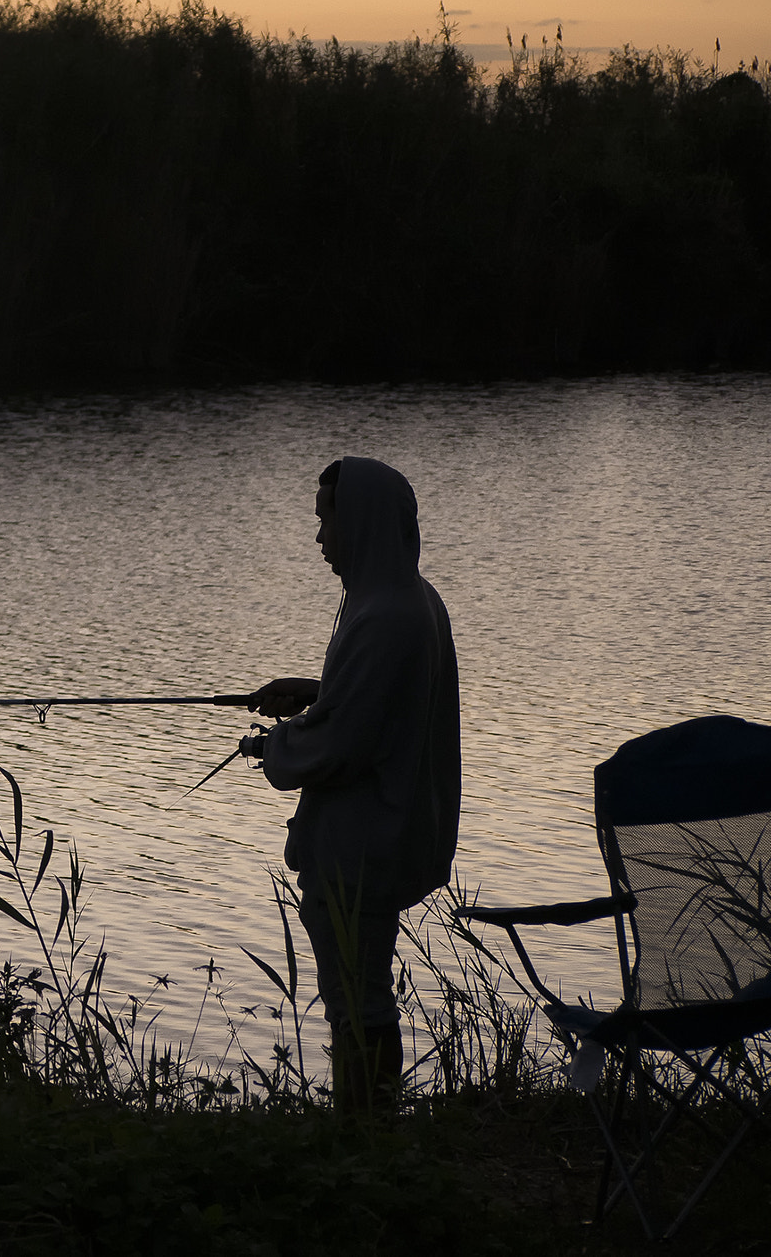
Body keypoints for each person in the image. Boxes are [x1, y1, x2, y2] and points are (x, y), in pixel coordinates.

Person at [234, 457, 461, 1112]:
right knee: (362, 992)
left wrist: (277, 744)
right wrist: (319, 693)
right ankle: (369, 1130)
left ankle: (364, 1131)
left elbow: (342, 745)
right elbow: (379, 706)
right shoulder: (413, 599)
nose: (320, 539)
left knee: (356, 1000)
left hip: (360, 846)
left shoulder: (384, 618)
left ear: (358, 522)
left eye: (326, 521)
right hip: (380, 835)